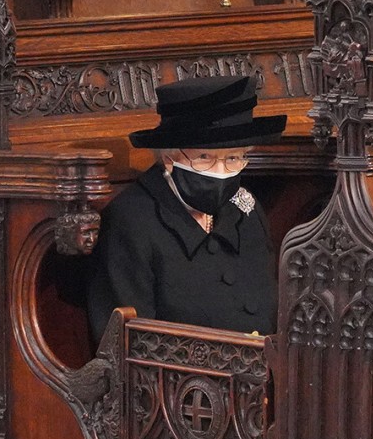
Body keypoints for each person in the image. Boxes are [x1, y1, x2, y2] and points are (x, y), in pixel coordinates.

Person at [87, 75, 287, 343]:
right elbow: (126, 345)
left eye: (233, 158)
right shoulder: (132, 222)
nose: (221, 172)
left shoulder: (246, 210)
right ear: (169, 158)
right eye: (205, 158)